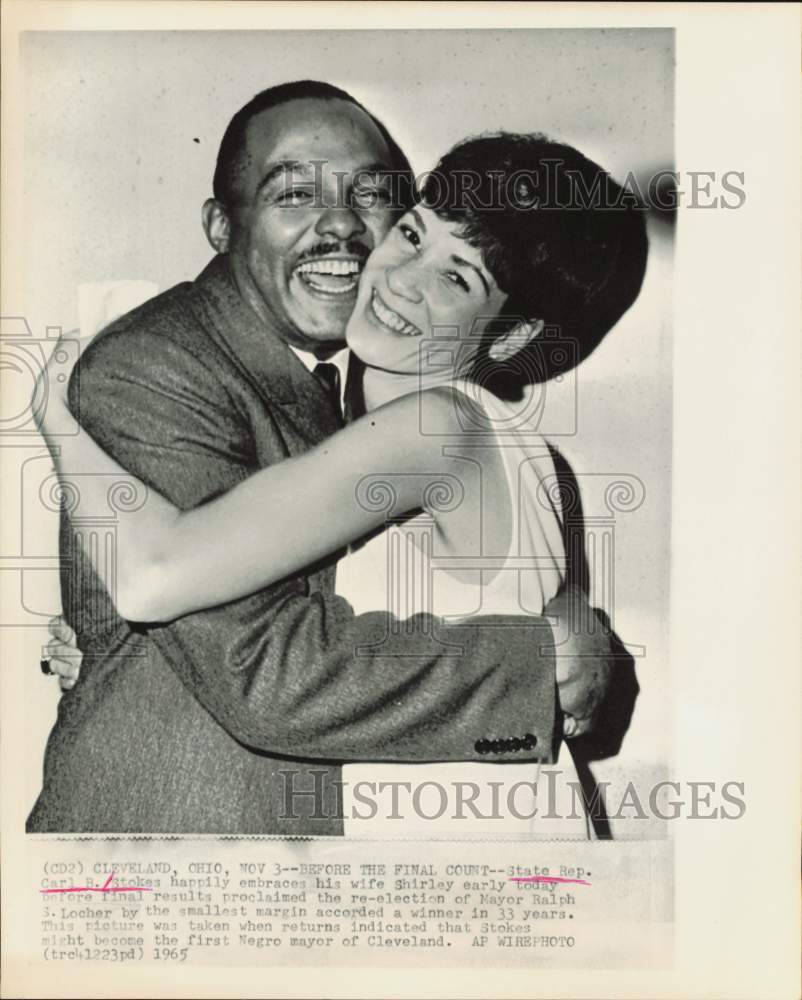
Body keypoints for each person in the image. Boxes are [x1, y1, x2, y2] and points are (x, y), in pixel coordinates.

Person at [28, 81, 627, 835]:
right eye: (414, 236)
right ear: (221, 224)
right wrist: (548, 659)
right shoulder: (158, 362)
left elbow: (156, 577)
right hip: (188, 847)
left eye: (455, 276)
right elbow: (246, 649)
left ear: (508, 337)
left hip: (455, 849)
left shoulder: (430, 424)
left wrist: (61, 433)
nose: (349, 229)